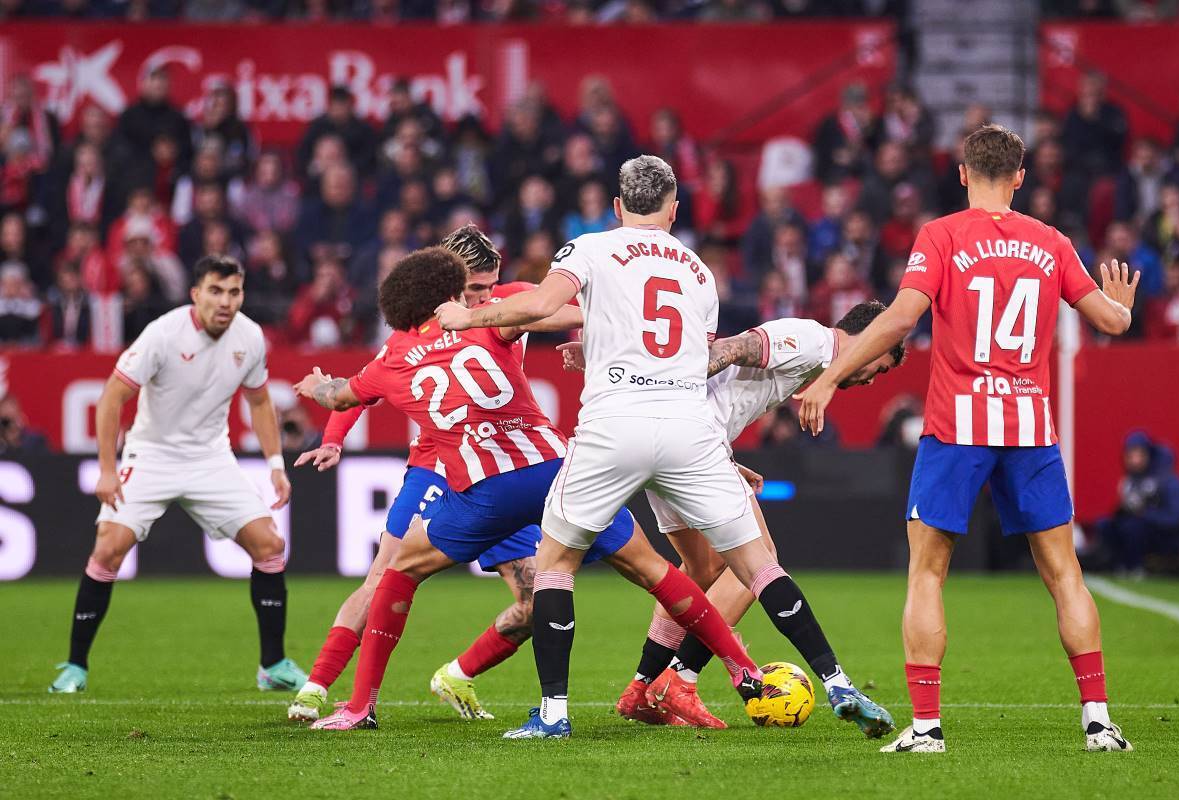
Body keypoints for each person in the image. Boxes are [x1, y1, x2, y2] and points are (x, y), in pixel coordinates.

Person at [436, 155, 886, 741]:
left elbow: (542, 306)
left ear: (617, 206)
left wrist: (464, 317)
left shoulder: (590, 247)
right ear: (674, 210)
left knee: (554, 566)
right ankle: (838, 683)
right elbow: (694, 357)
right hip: (687, 428)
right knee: (759, 566)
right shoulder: (699, 271)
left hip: (615, 423)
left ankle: (554, 713)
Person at [297, 246, 760, 734]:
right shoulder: (489, 320)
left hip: (486, 492)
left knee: (399, 571)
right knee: (653, 570)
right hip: (558, 472)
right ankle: (743, 668)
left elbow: (340, 396)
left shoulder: (390, 360)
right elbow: (548, 313)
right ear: (452, 293)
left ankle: (360, 706)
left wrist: (314, 386)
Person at [796, 124, 1141, 754]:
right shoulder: (1052, 242)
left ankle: (927, 728)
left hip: (958, 427)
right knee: (1065, 574)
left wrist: (830, 376)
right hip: (1030, 427)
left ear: (962, 174)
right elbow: (1110, 322)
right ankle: (1099, 722)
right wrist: (1121, 309)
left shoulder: (942, 236)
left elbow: (901, 318)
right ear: (1020, 177)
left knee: (927, 574)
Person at [558, 302, 902, 733]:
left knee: (701, 568)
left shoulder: (813, 358)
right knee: (758, 561)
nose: (871, 379)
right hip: (691, 440)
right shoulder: (813, 342)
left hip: (666, 441)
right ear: (870, 338)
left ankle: (642, 687)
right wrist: (671, 385)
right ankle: (681, 679)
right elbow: (731, 348)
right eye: (879, 366)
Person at [285, 224, 550, 722]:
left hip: (501, 467)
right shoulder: (411, 333)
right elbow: (361, 386)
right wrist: (334, 438)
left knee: (538, 603)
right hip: (439, 465)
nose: (483, 298)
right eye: (473, 288)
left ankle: (458, 674)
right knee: (383, 575)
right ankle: (317, 686)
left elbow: (573, 301)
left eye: (490, 285)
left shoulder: (513, 299)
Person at [49, 256, 307, 695]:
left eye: (234, 292)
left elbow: (261, 402)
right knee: (108, 549)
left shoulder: (249, 336)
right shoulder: (163, 334)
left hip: (211, 458)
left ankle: (273, 665)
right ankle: (75, 667)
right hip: (151, 455)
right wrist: (108, 470)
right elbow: (111, 398)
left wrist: (276, 466)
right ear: (195, 294)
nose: (225, 302)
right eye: (215, 291)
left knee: (270, 544)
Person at [1100, 431, 1179, 578]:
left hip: (1166, 537)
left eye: (1139, 455)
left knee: (1133, 528)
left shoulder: (1171, 482)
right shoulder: (1131, 482)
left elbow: (1175, 519)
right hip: (1141, 529)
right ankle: (1118, 564)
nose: (1134, 460)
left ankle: (1135, 567)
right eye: (1130, 455)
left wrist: (1144, 514)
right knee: (1108, 525)